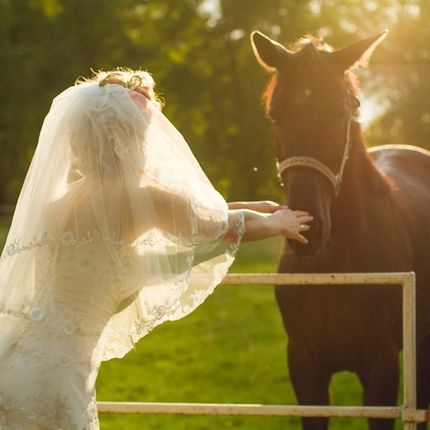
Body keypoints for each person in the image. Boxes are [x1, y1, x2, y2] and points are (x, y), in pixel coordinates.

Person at [0, 69, 312, 429]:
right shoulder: (145, 198)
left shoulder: (56, 204)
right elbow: (223, 228)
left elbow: (198, 216)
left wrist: (253, 207)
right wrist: (279, 224)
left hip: (14, 363)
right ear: (129, 137)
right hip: (60, 379)